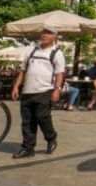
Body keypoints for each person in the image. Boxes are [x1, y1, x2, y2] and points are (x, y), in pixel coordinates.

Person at [11, 25, 65, 159]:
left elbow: (60, 74)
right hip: (27, 91)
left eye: (49, 33)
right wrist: (16, 86)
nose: (45, 35)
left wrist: (57, 90)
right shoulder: (32, 50)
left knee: (42, 117)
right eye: (44, 32)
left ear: (54, 37)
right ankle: (28, 148)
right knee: (27, 121)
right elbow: (23, 70)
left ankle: (51, 138)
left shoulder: (57, 52)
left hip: (45, 90)